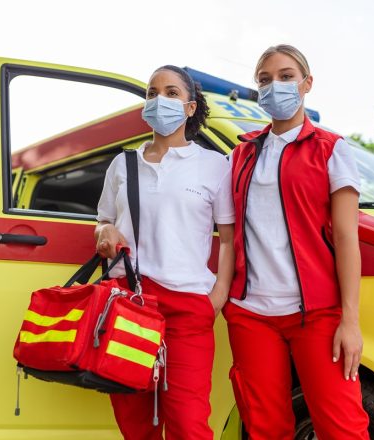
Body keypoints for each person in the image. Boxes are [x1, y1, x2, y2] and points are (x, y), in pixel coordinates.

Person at [224, 44, 370, 439]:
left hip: (318, 313)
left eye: (286, 77)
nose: (276, 86)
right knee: (265, 429)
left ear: (307, 84)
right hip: (250, 314)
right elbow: (223, 228)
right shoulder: (241, 154)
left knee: (343, 428)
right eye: (265, 80)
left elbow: (346, 237)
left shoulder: (331, 149)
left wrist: (350, 320)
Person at [95, 65, 234, 440]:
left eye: (171, 93)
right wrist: (105, 232)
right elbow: (104, 220)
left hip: (189, 307)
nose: (160, 100)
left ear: (190, 108)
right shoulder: (122, 164)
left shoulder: (215, 165)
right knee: (135, 424)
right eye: (152, 93)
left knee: (189, 425)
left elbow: (229, 238)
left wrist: (216, 298)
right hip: (129, 303)